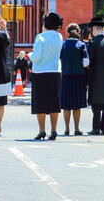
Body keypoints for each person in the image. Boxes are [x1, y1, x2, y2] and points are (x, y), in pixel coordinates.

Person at [30, 12, 64, 140]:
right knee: (54, 102)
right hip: (55, 71)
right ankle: (54, 130)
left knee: (40, 103)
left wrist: (29, 55)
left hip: (40, 72)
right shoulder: (59, 37)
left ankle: (42, 130)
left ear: (46, 24)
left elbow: (36, 56)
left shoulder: (40, 37)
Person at [60, 23, 89, 136]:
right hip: (78, 77)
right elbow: (86, 62)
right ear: (78, 31)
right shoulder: (81, 45)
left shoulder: (62, 45)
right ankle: (77, 128)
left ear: (67, 31)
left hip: (66, 76)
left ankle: (67, 129)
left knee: (66, 105)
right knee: (77, 105)